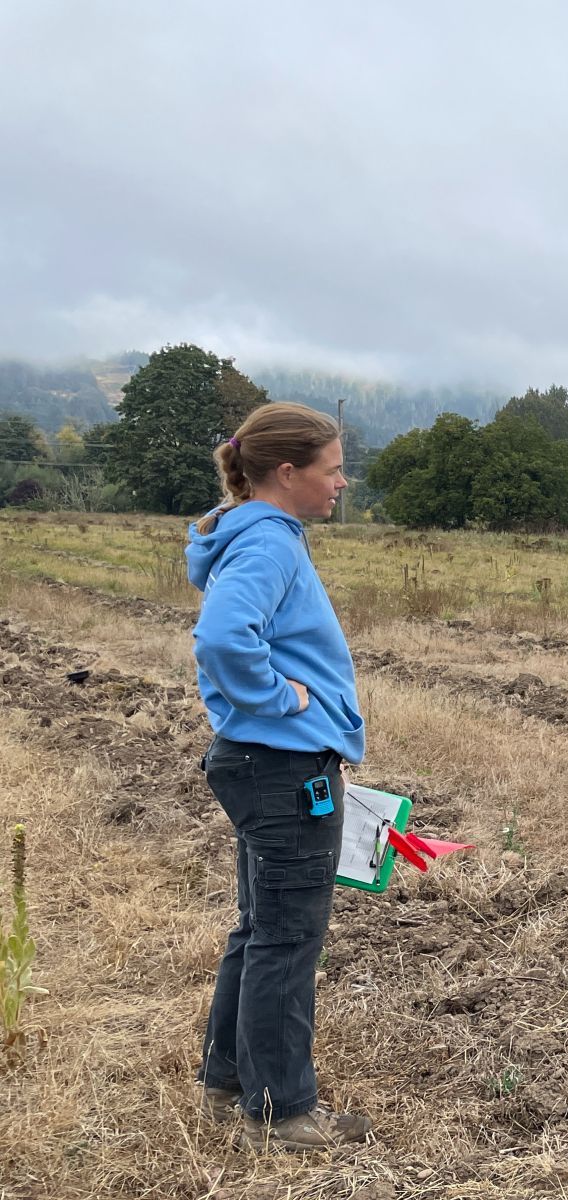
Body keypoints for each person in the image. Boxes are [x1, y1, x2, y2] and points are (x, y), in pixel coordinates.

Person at [187, 402, 370, 1151]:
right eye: (332, 470)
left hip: (265, 763)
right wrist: (277, 699)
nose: (342, 483)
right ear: (288, 473)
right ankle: (281, 1114)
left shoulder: (258, 535)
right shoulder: (267, 544)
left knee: (261, 928)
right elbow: (225, 637)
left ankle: (227, 1081)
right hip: (283, 765)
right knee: (286, 940)